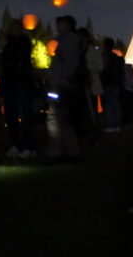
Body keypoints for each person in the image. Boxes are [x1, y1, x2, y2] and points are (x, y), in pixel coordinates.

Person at [47, 16, 88, 159]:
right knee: (62, 119)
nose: (57, 26)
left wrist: (62, 82)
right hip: (61, 85)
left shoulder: (68, 42)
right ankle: (69, 149)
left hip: (62, 86)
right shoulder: (66, 41)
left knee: (58, 119)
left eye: (60, 24)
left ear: (68, 25)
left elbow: (70, 64)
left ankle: (63, 150)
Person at [0, 19, 36, 159]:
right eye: (10, 26)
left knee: (24, 115)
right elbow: (3, 64)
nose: (11, 29)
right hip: (10, 83)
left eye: (14, 26)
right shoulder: (7, 45)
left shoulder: (23, 41)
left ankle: (27, 147)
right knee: (11, 115)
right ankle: (15, 145)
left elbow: (18, 59)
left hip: (21, 81)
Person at [101, 40, 124, 132]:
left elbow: (103, 68)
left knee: (108, 105)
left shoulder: (105, 56)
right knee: (115, 104)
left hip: (108, 82)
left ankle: (110, 125)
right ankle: (117, 125)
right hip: (116, 83)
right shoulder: (116, 58)